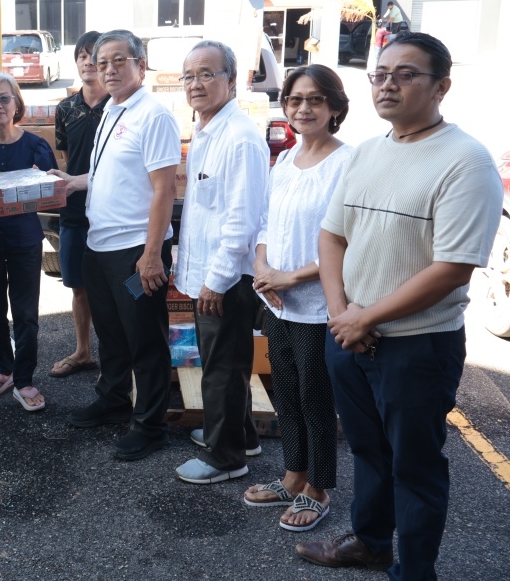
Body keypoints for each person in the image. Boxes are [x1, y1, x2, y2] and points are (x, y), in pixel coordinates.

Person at [297, 33, 501, 578]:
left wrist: (365, 317)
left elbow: (452, 268)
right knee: (367, 452)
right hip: (350, 337)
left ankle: (413, 571)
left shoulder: (465, 161)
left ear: (442, 87)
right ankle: (370, 542)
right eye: (381, 73)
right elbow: (332, 237)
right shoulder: (366, 152)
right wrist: (345, 314)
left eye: (406, 74)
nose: (388, 83)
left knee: (415, 466)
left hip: (417, 346)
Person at [60, 29, 181, 462]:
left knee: (143, 335)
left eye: (118, 60)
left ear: (140, 64)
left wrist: (151, 255)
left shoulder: (153, 115)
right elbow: (114, 173)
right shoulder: (112, 109)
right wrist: (74, 182)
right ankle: (113, 398)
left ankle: (150, 425)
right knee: (110, 330)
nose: (108, 69)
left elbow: (163, 189)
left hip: (134, 255)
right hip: (99, 246)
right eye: (101, 61)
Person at [243, 65, 352, 532]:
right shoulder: (285, 160)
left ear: (334, 108)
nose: (303, 108)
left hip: (314, 305)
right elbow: (266, 223)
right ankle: (292, 475)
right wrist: (265, 271)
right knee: (285, 393)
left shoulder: (347, 163)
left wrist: (291, 277)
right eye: (294, 100)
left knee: (314, 396)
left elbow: (348, 239)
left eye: (314, 100)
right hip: (277, 301)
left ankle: (319, 487)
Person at [174, 39, 269, 485]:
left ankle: (226, 458)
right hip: (211, 276)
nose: (196, 83)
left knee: (221, 369)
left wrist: (215, 280)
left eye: (207, 74)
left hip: (226, 280)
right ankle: (241, 434)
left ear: (232, 81)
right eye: (189, 75)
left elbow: (242, 220)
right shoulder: (209, 130)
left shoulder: (240, 137)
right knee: (227, 364)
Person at [0, 73, 57, 412]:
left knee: (26, 312)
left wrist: (27, 182)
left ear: (17, 103)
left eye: (4, 98)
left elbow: (51, 194)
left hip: (24, 240)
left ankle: (25, 379)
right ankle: (3, 368)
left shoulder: (36, 146)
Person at [48, 30, 109, 379]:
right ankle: (83, 351)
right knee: (77, 285)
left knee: (113, 288)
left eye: (94, 55)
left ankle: (114, 358)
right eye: (82, 55)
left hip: (112, 213)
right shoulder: (65, 108)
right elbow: (68, 160)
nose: (88, 61)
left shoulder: (119, 109)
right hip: (74, 212)